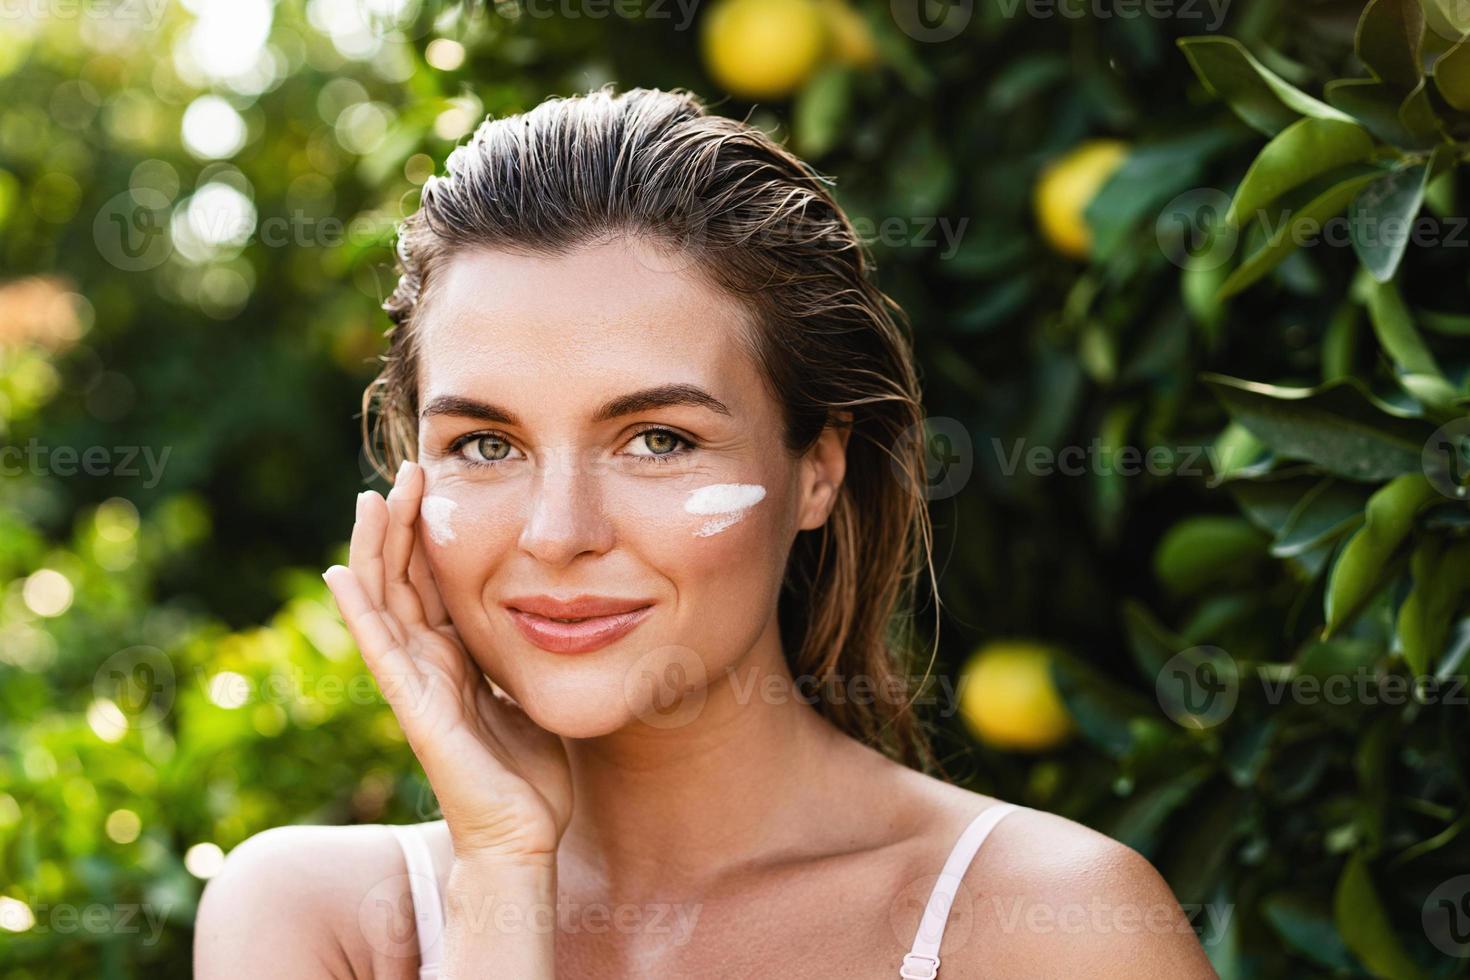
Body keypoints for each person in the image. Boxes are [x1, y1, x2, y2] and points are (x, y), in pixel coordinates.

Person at [194, 86, 1216, 979]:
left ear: (817, 464)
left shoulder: (1054, 925)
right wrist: (503, 872)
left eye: (656, 438)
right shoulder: (313, 920)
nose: (559, 534)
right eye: (487, 445)